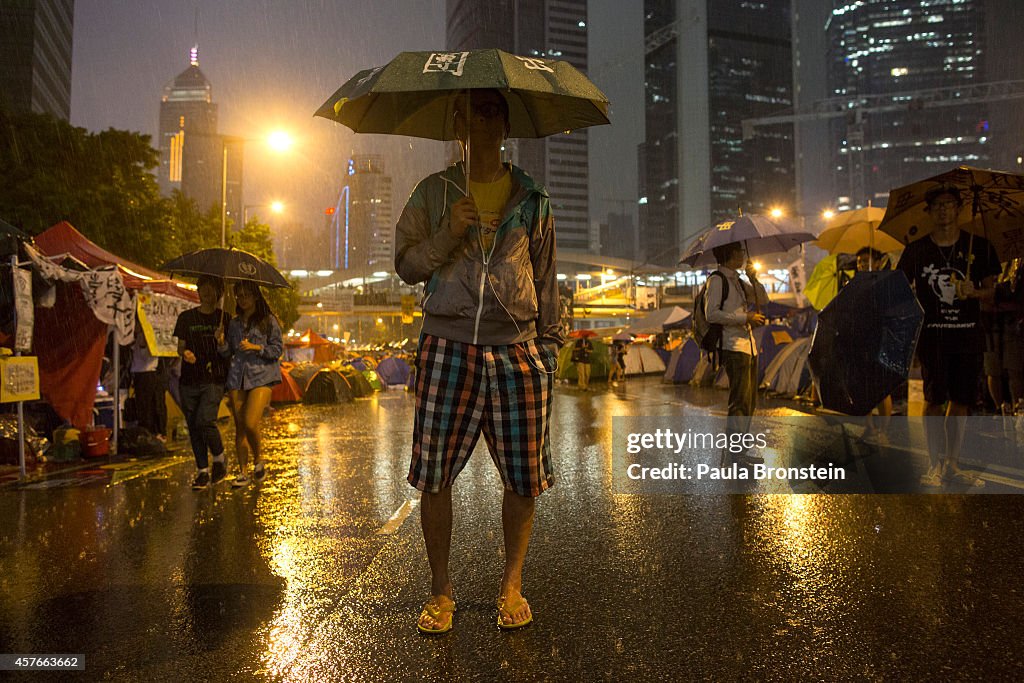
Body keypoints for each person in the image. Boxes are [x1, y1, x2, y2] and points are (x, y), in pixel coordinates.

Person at [394, 88, 561, 633]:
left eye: (495, 109)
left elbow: (547, 279)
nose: (486, 118)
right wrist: (448, 233)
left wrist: (549, 351)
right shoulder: (433, 193)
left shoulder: (533, 199)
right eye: (476, 109)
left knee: (523, 477)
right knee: (435, 475)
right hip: (447, 346)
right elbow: (405, 265)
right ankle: (440, 591)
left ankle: (512, 583)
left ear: (506, 122)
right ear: (458, 121)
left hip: (518, 350)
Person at [896, 184, 1000, 487]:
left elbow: (992, 293)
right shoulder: (917, 250)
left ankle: (952, 462)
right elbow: (900, 291)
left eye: (949, 204)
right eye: (938, 205)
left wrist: (975, 292)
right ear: (929, 212)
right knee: (933, 399)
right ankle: (934, 463)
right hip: (933, 338)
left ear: (959, 209)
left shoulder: (979, 247)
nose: (944, 210)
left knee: (961, 400)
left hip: (968, 337)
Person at [704, 242, 768, 465]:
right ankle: (735, 454)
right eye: (740, 251)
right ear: (731, 255)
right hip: (733, 347)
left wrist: (753, 278)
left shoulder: (739, 281)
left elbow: (764, 298)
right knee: (739, 402)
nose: (743, 254)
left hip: (748, 346)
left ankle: (740, 450)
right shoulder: (716, 281)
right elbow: (711, 314)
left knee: (749, 402)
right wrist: (745, 318)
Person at [217, 280, 283, 489]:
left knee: (250, 421)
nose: (242, 299)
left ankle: (259, 460)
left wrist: (256, 347)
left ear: (255, 296)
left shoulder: (268, 321)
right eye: (239, 295)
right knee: (239, 427)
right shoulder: (234, 323)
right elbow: (228, 353)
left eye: (246, 295)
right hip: (237, 376)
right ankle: (243, 472)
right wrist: (222, 344)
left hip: (262, 376)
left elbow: (277, 349)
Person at [174, 275, 230, 489]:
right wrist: (185, 353)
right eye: (202, 290)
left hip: (213, 379)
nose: (206, 294)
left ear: (219, 293)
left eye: (210, 290)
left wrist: (222, 342)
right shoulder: (186, 318)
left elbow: (229, 353)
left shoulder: (225, 319)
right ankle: (202, 471)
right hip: (189, 379)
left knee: (204, 420)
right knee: (194, 427)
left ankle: (219, 457)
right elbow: (180, 346)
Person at [854, 247, 893, 444]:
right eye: (859, 261)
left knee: (882, 386)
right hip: (860, 339)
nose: (861, 264)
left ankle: (883, 430)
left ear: (878, 262)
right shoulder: (854, 284)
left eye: (866, 260)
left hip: (881, 338)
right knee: (863, 385)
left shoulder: (886, 282)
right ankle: (869, 427)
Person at [982, 258, 1023, 416]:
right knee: (993, 369)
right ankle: (1001, 408)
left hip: (1012, 319)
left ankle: (1016, 408)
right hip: (990, 319)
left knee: (1014, 368)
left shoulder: (1017, 261)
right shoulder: (986, 258)